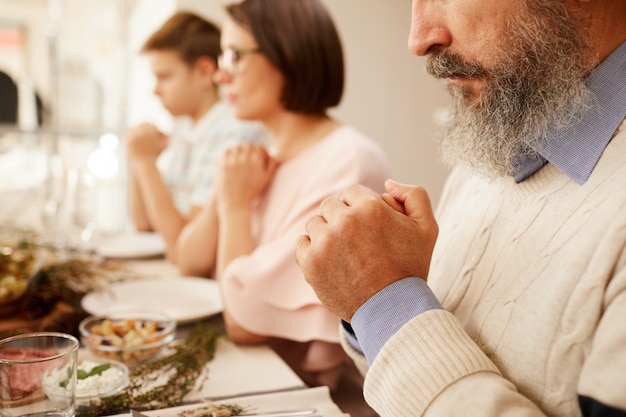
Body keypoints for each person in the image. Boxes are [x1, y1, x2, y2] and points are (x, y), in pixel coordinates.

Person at [296, 0, 626, 416]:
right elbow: (411, 386)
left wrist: (384, 299)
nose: (418, 40)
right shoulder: (493, 154)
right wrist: (375, 296)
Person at [176, 0, 391, 415]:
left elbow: (243, 322)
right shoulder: (265, 154)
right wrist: (226, 191)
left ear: (288, 54)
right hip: (259, 381)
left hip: (313, 401)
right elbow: (190, 260)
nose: (222, 74)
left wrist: (236, 206)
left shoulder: (348, 159)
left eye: (235, 55)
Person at [124, 11, 266, 261]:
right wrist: (138, 158)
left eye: (164, 77)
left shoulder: (233, 131)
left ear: (204, 71)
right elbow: (143, 226)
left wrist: (146, 163)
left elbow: (182, 248)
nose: (155, 90)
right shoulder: (186, 128)